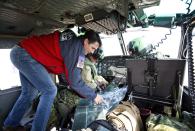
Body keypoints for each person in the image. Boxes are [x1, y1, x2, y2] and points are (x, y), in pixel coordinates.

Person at [3, 29, 104, 131]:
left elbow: (70, 74)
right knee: (50, 91)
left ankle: (10, 125)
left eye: (95, 49)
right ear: (86, 41)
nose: (92, 51)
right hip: (25, 54)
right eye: (92, 48)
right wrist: (93, 95)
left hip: (21, 51)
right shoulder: (77, 49)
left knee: (30, 93)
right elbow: (75, 81)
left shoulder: (74, 43)